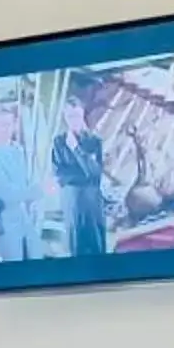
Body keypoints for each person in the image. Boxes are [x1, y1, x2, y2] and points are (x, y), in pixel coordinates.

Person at [51, 93, 108, 260]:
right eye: (69, 116)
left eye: (76, 115)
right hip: (72, 204)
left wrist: (76, 149)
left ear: (82, 114)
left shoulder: (94, 141)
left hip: (93, 205)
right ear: (65, 117)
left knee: (97, 250)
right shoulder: (58, 142)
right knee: (76, 251)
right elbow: (59, 174)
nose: (73, 119)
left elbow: (96, 173)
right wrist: (84, 172)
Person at [0, 100, 34, 260]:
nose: (6, 129)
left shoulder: (18, 151)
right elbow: (7, 194)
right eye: (2, 125)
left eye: (9, 124)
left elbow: (25, 181)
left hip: (25, 218)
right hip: (7, 221)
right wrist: (38, 190)